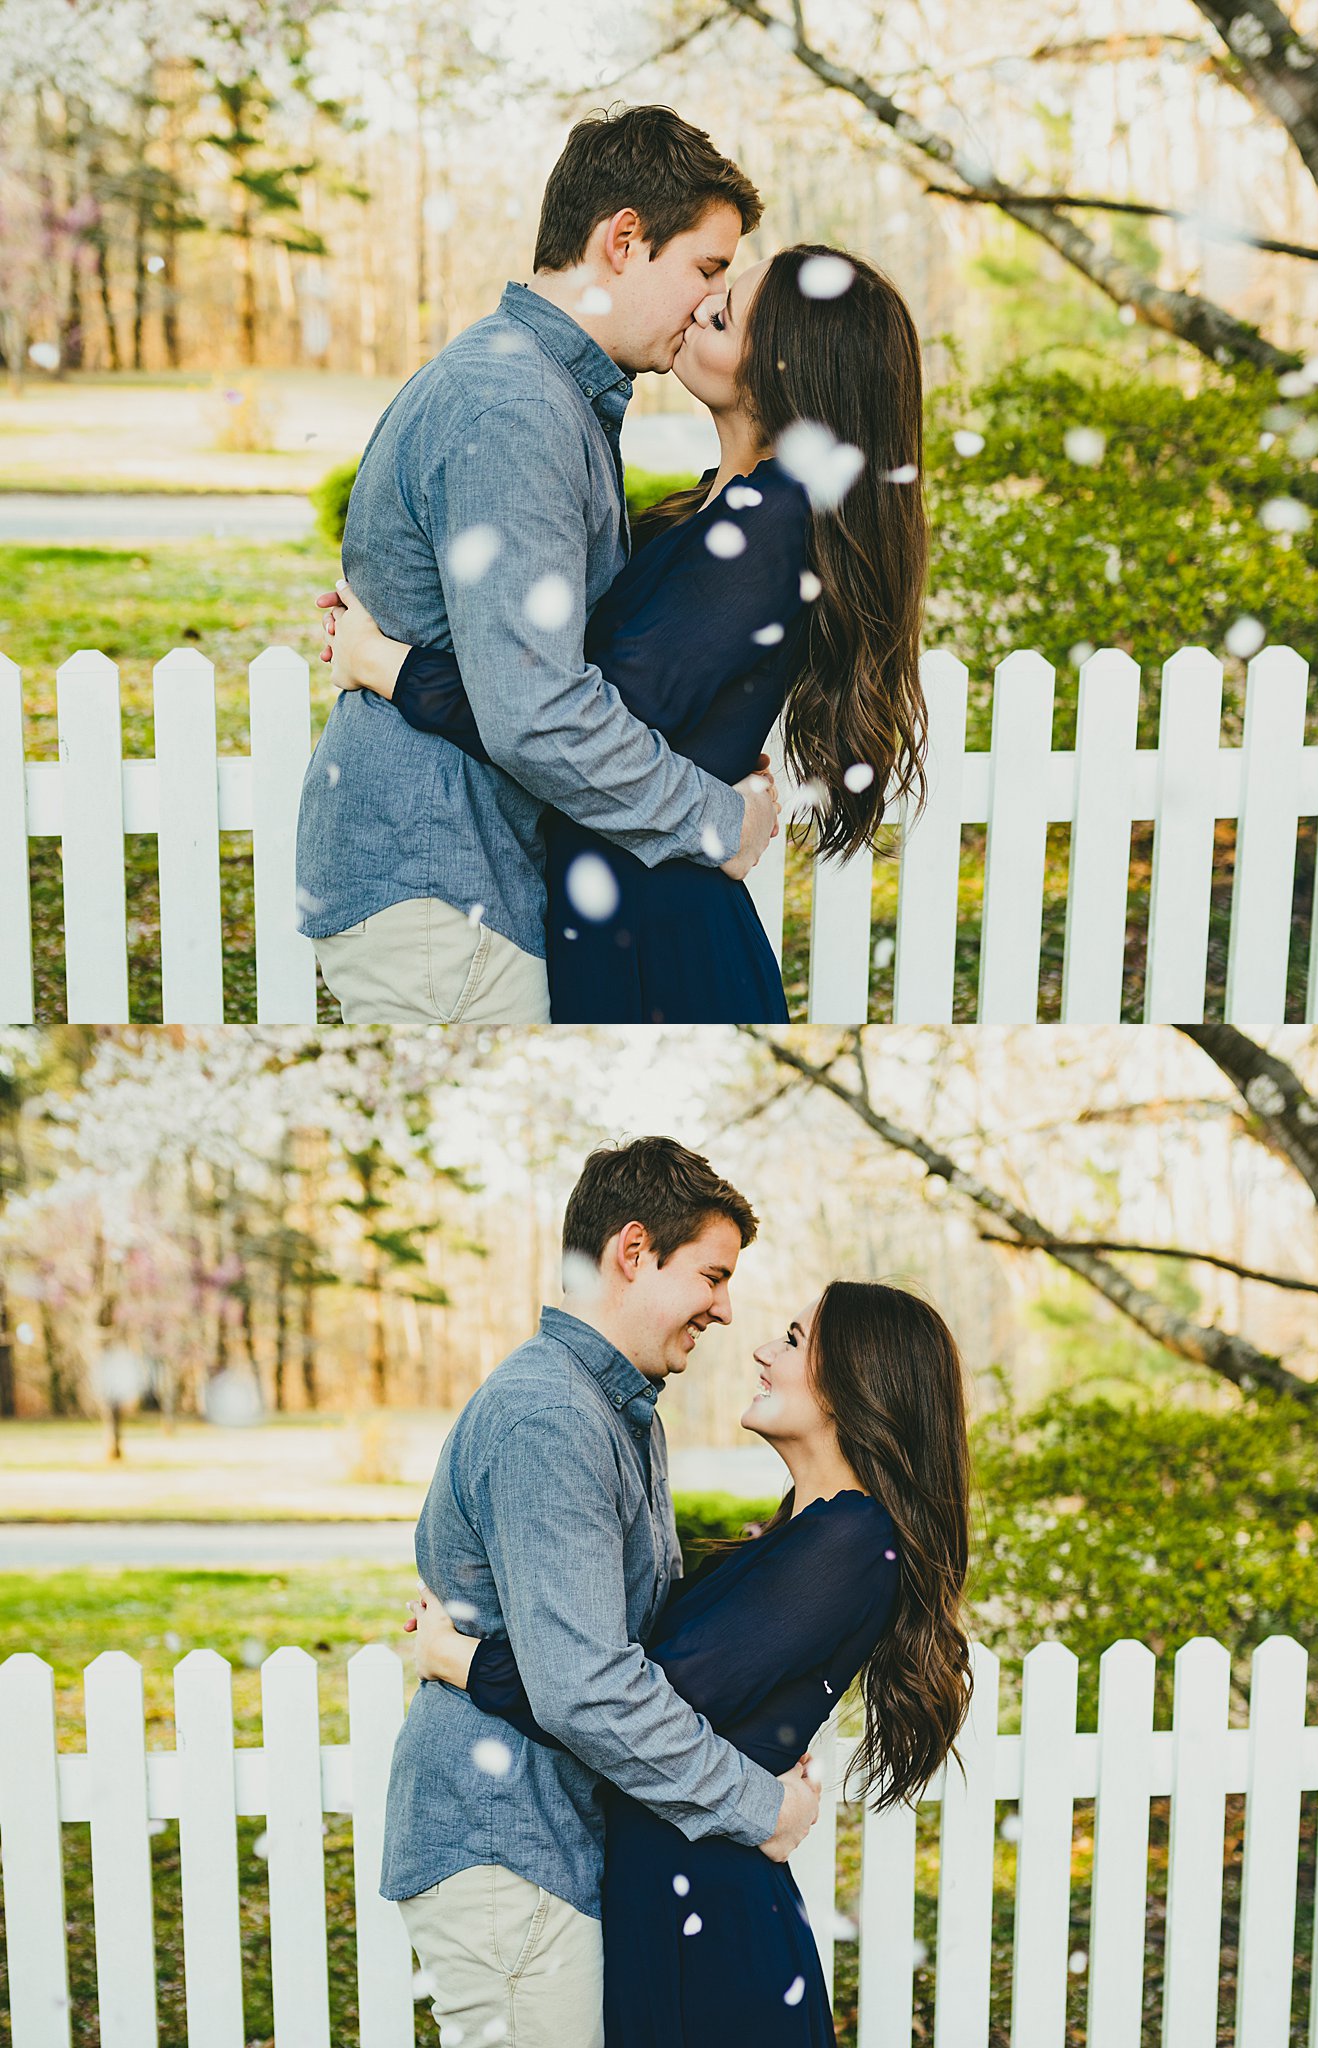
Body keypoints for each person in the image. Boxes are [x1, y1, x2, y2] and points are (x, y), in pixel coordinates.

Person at [321, 239, 929, 1024]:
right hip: (622, 901)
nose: (699, 310)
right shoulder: (717, 509)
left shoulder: (766, 529)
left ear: (789, 366)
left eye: (727, 310)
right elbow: (560, 664)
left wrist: (386, 663)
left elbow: (561, 716)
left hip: (660, 929)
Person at [293, 107, 783, 1026]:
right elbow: (539, 713)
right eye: (706, 269)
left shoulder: (534, 387)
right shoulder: (515, 406)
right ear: (625, 241)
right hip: (446, 885)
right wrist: (716, 819)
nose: (708, 303)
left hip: (462, 881)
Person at [407, 1276, 973, 2048]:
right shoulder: (804, 1536)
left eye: (797, 1340)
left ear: (861, 1380)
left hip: (711, 1917)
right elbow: (625, 1676)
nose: (762, 1348)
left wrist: (460, 1659)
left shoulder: (849, 1542)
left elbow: (625, 1694)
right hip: (673, 1896)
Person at [379, 1138, 822, 2048]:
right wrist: (757, 1805)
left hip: (555, 1847)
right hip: (511, 1854)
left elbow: (641, 1644)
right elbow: (586, 1686)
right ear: (632, 1251)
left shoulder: (615, 1414)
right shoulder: (552, 1417)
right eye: (712, 1274)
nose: (727, 1309)